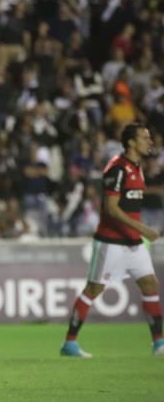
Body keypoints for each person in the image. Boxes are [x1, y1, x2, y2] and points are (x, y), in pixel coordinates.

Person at [61, 123, 163, 357]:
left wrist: (139, 232)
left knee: (150, 285)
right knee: (94, 288)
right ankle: (69, 343)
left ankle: (159, 344)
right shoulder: (117, 168)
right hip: (111, 242)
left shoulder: (138, 167)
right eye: (145, 138)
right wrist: (143, 228)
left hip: (134, 244)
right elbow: (111, 208)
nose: (150, 142)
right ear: (131, 143)